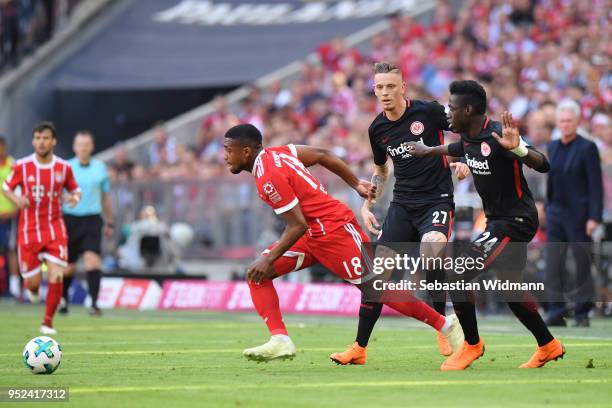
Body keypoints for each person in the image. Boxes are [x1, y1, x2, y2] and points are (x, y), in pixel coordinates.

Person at [223, 123, 463, 362]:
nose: (224, 156)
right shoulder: (279, 153)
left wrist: (269, 257)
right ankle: (280, 340)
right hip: (311, 234)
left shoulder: (268, 176)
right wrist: (355, 183)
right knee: (257, 275)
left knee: (376, 288)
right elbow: (322, 155)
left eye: (228, 149)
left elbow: (297, 224)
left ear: (246, 151)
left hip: (333, 231)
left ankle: (445, 325)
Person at [407, 80, 564, 370]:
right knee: (510, 289)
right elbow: (457, 148)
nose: (447, 113)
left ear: (468, 109)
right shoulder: (468, 137)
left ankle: (472, 344)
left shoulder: (497, 135)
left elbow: (543, 164)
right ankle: (548, 345)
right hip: (499, 222)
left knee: (457, 273)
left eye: (452, 108)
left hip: (515, 222)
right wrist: (427, 150)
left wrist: (518, 149)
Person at [330, 62, 470, 365]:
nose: (384, 92)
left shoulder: (429, 112)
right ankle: (359, 348)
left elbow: (468, 131)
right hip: (402, 205)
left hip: (436, 200)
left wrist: (464, 158)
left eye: (390, 86)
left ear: (402, 87)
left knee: (431, 249)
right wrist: (368, 204)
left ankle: (442, 322)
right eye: (379, 87)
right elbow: (381, 169)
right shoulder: (377, 129)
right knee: (378, 278)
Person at [2, 122, 81, 334]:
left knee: (56, 274)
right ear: (33, 141)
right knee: (32, 284)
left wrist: (74, 198)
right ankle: (33, 291)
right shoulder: (22, 165)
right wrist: (17, 198)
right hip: (28, 231)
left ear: (53, 141)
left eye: (45, 138)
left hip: (55, 228)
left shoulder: (63, 167)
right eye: (37, 138)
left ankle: (47, 322)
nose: (41, 142)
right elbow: (6, 187)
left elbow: (75, 189)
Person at [544, 100, 603, 327]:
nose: (566, 125)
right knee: (553, 264)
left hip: (580, 215)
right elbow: (551, 178)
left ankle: (582, 312)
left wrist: (594, 217)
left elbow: (595, 184)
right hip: (556, 213)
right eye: (562, 121)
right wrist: (547, 207)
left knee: (581, 264)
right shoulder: (553, 146)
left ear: (577, 122)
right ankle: (556, 311)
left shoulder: (588, 147)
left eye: (569, 121)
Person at [60, 130, 114, 316]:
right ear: (75, 147)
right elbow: (58, 194)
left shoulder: (100, 168)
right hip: (70, 220)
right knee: (69, 267)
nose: (83, 148)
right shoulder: (66, 167)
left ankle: (94, 303)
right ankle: (63, 299)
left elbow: (105, 197)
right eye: (80, 144)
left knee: (93, 261)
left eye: (86, 144)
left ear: (92, 147)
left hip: (92, 219)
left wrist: (110, 221)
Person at [0, 136, 19, 299]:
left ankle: (14, 288)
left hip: (10, 215)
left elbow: (20, 190)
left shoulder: (14, 165)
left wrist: (15, 209)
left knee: (11, 250)